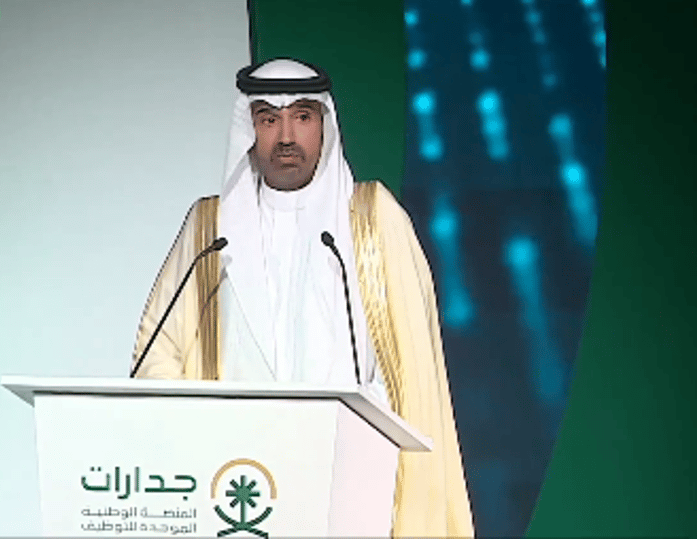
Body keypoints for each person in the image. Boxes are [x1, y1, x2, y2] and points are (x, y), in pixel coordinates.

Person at [130, 57, 475, 538]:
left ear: (324, 125)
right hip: (233, 479)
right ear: (249, 129)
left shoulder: (372, 218)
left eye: (303, 117)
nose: (286, 136)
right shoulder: (210, 228)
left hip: (347, 476)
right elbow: (158, 353)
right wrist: (197, 434)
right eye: (268, 119)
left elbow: (410, 365)